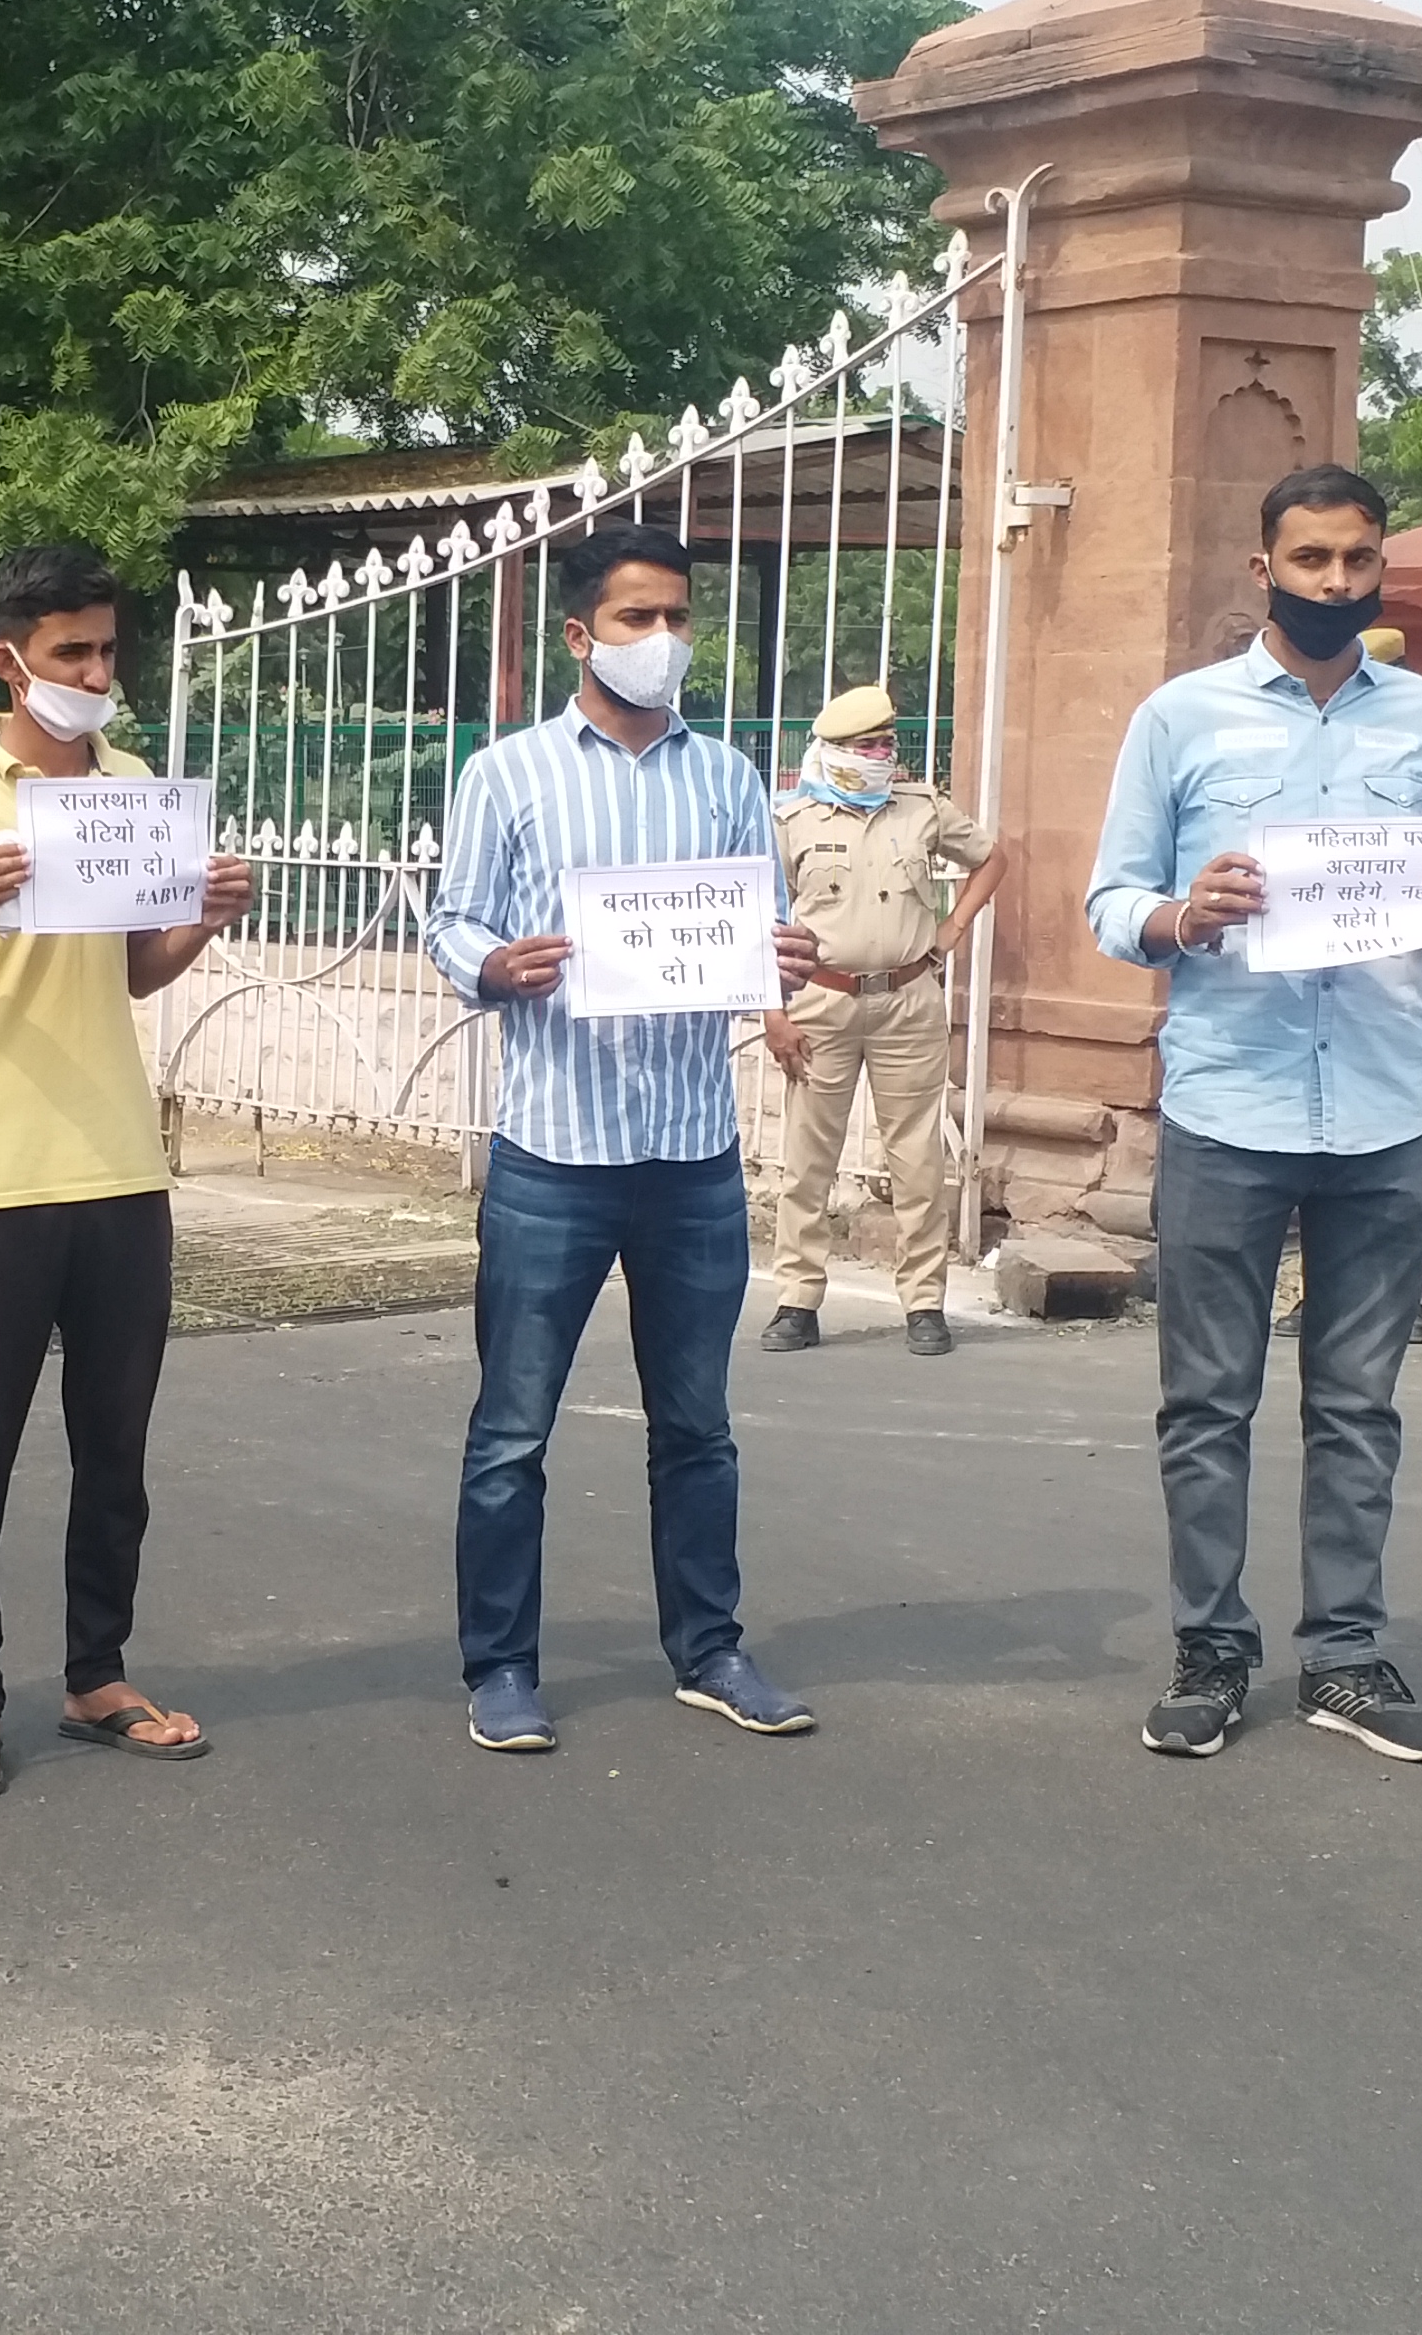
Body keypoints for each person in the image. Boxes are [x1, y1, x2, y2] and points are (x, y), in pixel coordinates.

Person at [1087, 464, 1422, 1765]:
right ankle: (1211, 1649)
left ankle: (1345, 1656)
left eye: (1357, 560)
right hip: (1231, 1107)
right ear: (1260, 569)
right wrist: (1178, 915)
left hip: (1384, 1113)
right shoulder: (1181, 720)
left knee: (1359, 1401)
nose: (1336, 582)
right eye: (1311, 560)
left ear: (1380, 568)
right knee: (1207, 1399)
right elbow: (1110, 903)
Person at [424, 520, 824, 1754]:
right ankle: (500, 1667)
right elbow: (451, 922)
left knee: (697, 1427)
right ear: (580, 632)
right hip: (555, 1153)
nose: (663, 641)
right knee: (512, 1434)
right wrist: (493, 962)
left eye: (678, 619)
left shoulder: (730, 781)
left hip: (693, 1154)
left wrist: (782, 959)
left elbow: (764, 924)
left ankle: (710, 1647)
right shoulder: (509, 775)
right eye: (639, 618)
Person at [0, 544, 258, 1795]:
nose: (96, 674)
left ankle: (98, 1670)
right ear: (10, 661)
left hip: (119, 1166)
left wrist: (205, 915)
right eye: (71, 654)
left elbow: (134, 969)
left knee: (117, 1444)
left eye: (107, 650)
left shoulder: (134, 786)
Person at [755, 683, 1006, 1357]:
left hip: (907, 998)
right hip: (821, 1002)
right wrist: (773, 1016)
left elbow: (991, 858)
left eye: (888, 742)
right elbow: (763, 928)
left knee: (918, 1159)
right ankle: (797, 1299)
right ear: (834, 751)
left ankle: (924, 1302)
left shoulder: (920, 808)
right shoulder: (792, 821)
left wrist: (951, 930)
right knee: (808, 1161)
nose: (883, 754)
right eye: (869, 745)